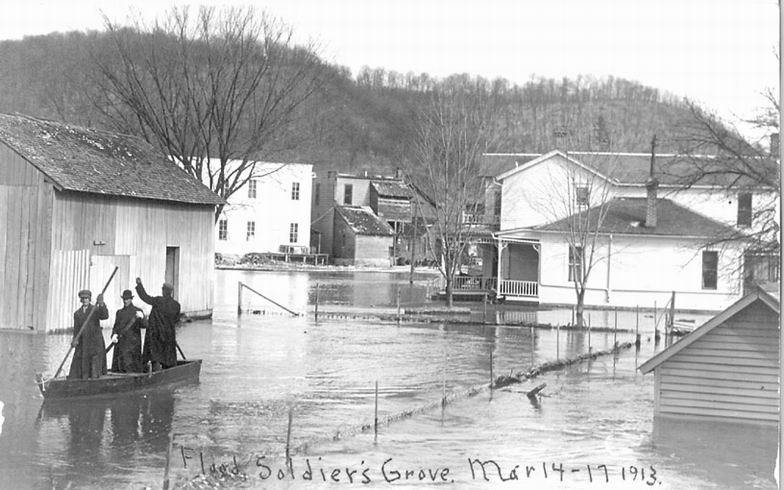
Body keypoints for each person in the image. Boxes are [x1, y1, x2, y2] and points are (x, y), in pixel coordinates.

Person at [135, 278, 181, 371]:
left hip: (156, 334)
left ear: (163, 291)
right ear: (171, 292)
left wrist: (139, 285)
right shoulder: (176, 305)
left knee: (155, 357)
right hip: (169, 335)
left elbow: (145, 297)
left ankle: (154, 374)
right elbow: (176, 320)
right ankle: (169, 372)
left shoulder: (158, 301)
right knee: (168, 357)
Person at [68, 289, 109, 379]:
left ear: (90, 299)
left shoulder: (95, 310)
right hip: (83, 343)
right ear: (81, 300)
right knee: (79, 363)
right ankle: (79, 380)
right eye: (83, 298)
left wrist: (102, 304)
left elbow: (104, 316)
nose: (85, 300)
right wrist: (75, 339)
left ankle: (94, 381)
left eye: (87, 298)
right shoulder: (77, 313)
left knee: (94, 366)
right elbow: (76, 330)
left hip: (94, 343)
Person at [110, 289, 146, 373]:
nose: (125, 301)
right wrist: (114, 335)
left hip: (133, 344)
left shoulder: (137, 311)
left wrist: (142, 317)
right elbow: (116, 327)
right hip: (121, 342)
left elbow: (145, 325)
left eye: (127, 299)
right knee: (120, 364)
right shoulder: (119, 312)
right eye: (124, 299)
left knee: (131, 365)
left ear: (131, 299)